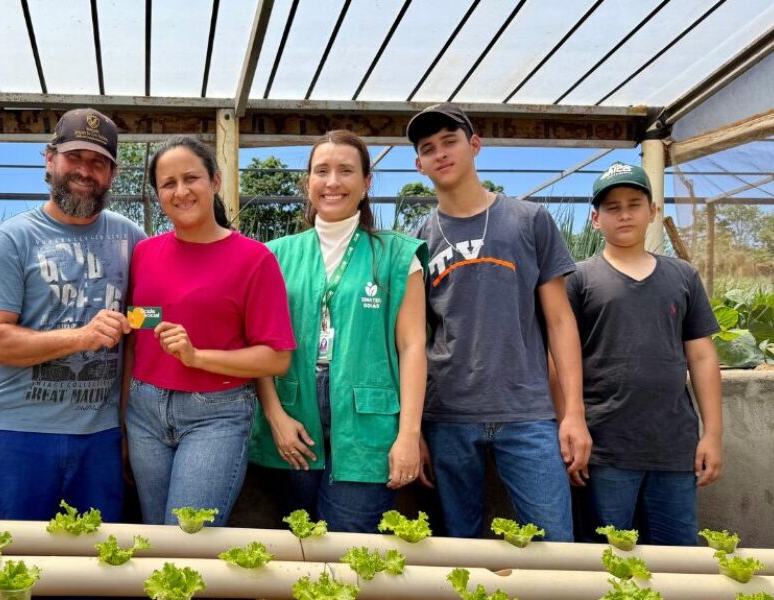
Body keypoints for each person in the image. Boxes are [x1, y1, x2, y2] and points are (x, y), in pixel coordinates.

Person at [408, 103, 591, 541]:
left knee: (554, 545)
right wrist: (412, 429)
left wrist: (574, 415)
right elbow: (412, 338)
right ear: (419, 165)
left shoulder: (530, 221)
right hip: (447, 415)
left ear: (474, 145)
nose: (441, 153)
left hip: (527, 413)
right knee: (459, 547)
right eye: (428, 148)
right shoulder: (417, 237)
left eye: (450, 141)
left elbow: (561, 323)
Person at [249, 130, 430, 532]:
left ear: (366, 184)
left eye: (346, 171)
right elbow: (259, 343)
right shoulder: (273, 256)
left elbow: (414, 345)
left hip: (369, 417)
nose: (333, 182)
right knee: (297, 544)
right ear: (308, 182)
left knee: (350, 546)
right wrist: (274, 415)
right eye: (322, 171)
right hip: (293, 415)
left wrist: (408, 435)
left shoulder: (397, 254)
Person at [0, 108, 145, 522]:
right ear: (50, 159)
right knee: (17, 563)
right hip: (20, 432)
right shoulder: (13, 239)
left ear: (112, 174)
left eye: (98, 162)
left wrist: (127, 429)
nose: (85, 171)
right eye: (75, 158)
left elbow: (141, 336)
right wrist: (82, 337)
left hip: (101, 436)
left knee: (99, 569)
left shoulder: (132, 239)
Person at [124, 136, 295, 525]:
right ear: (157, 194)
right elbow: (146, 321)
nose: (181, 191)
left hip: (215, 414)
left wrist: (197, 356)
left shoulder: (254, 259)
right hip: (144, 411)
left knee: (187, 538)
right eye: (168, 184)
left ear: (214, 182)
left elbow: (276, 357)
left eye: (191, 178)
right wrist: (127, 323)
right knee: (157, 535)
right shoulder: (145, 253)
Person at [564, 162, 722, 545]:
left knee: (678, 554)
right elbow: (560, 360)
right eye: (612, 207)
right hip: (604, 447)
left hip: (673, 446)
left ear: (653, 211)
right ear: (595, 219)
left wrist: (713, 433)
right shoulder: (578, 278)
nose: (624, 214)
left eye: (634, 203)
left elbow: (702, 357)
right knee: (608, 555)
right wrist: (571, 427)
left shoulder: (682, 276)